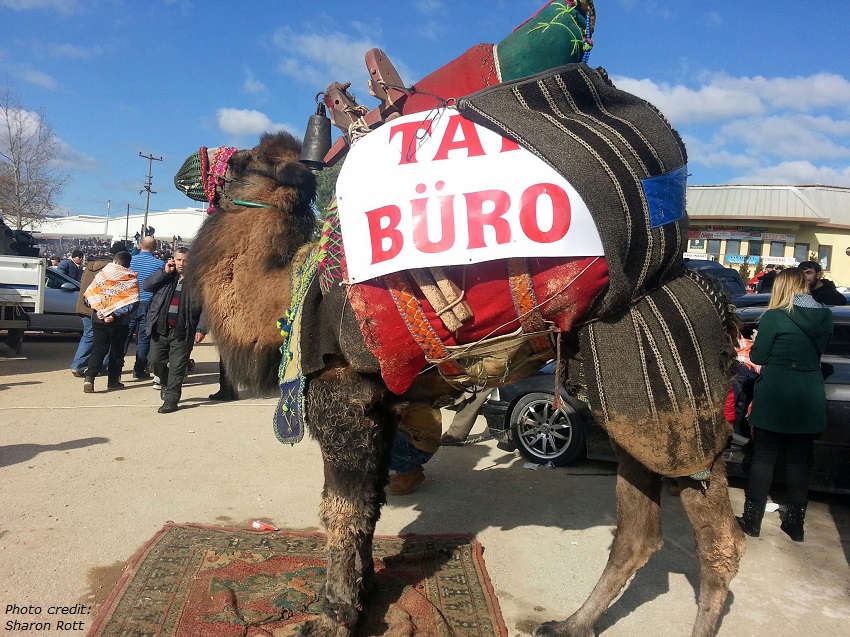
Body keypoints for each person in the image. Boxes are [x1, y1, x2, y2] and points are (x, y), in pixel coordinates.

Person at [736, 268, 833, 542]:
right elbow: (819, 349)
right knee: (799, 462)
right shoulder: (825, 315)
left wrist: (757, 341)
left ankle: (752, 521)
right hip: (809, 393)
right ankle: (795, 524)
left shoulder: (775, 317)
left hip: (776, 393)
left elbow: (759, 355)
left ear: (782, 288)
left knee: (764, 458)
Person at [144, 247, 205, 414]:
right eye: (178, 260)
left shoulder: (197, 281)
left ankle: (171, 400)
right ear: (173, 260)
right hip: (160, 329)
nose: (181, 264)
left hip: (182, 331)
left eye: (185, 260)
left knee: (178, 367)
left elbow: (206, 307)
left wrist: (201, 328)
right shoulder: (165, 276)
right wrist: (164, 272)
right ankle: (164, 382)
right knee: (155, 361)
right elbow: (147, 286)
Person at [82, 251, 139, 392]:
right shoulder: (130, 278)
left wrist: (98, 310)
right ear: (128, 264)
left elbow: (90, 296)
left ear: (114, 261)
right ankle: (113, 381)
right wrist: (114, 314)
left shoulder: (101, 275)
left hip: (98, 318)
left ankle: (89, 377)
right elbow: (132, 302)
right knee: (116, 351)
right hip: (119, 322)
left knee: (98, 349)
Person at [69, 242, 126, 377]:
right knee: (104, 338)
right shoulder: (111, 268)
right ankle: (83, 365)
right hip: (100, 308)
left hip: (85, 305)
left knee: (88, 336)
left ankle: (80, 364)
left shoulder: (89, 266)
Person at [125, 236, 165, 379]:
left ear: (140, 245)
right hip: (149, 303)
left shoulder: (129, 261)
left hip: (129, 302)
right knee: (144, 338)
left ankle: (115, 370)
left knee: (124, 336)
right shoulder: (160, 264)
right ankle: (139, 369)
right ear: (155, 247)